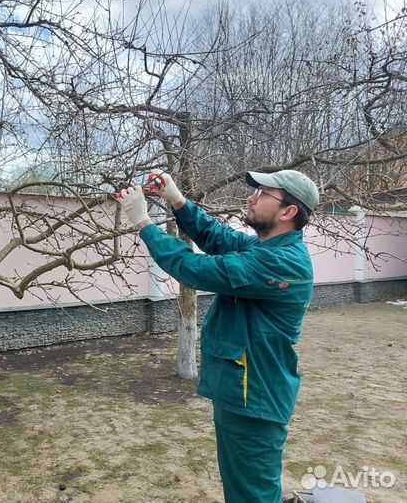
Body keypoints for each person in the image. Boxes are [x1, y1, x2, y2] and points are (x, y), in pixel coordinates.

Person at [119, 169, 320, 503]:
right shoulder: (264, 248)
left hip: (255, 398)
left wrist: (144, 223)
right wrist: (177, 200)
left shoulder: (281, 263)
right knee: (243, 487)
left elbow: (195, 269)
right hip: (242, 391)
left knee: (252, 494)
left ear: (288, 212)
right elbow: (216, 237)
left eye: (261, 194)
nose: (250, 198)